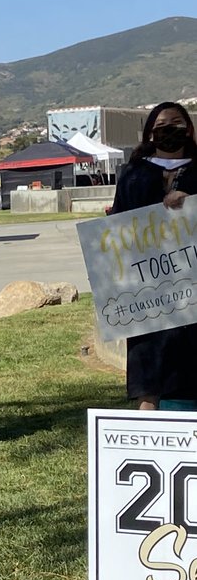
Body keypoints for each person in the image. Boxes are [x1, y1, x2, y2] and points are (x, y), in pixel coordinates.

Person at [111, 101, 197, 411]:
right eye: (160, 125)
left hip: (192, 280)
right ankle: (148, 424)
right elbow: (120, 222)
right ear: (150, 133)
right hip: (148, 284)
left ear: (188, 129)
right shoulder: (134, 173)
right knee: (150, 355)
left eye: (175, 122)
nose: (168, 129)